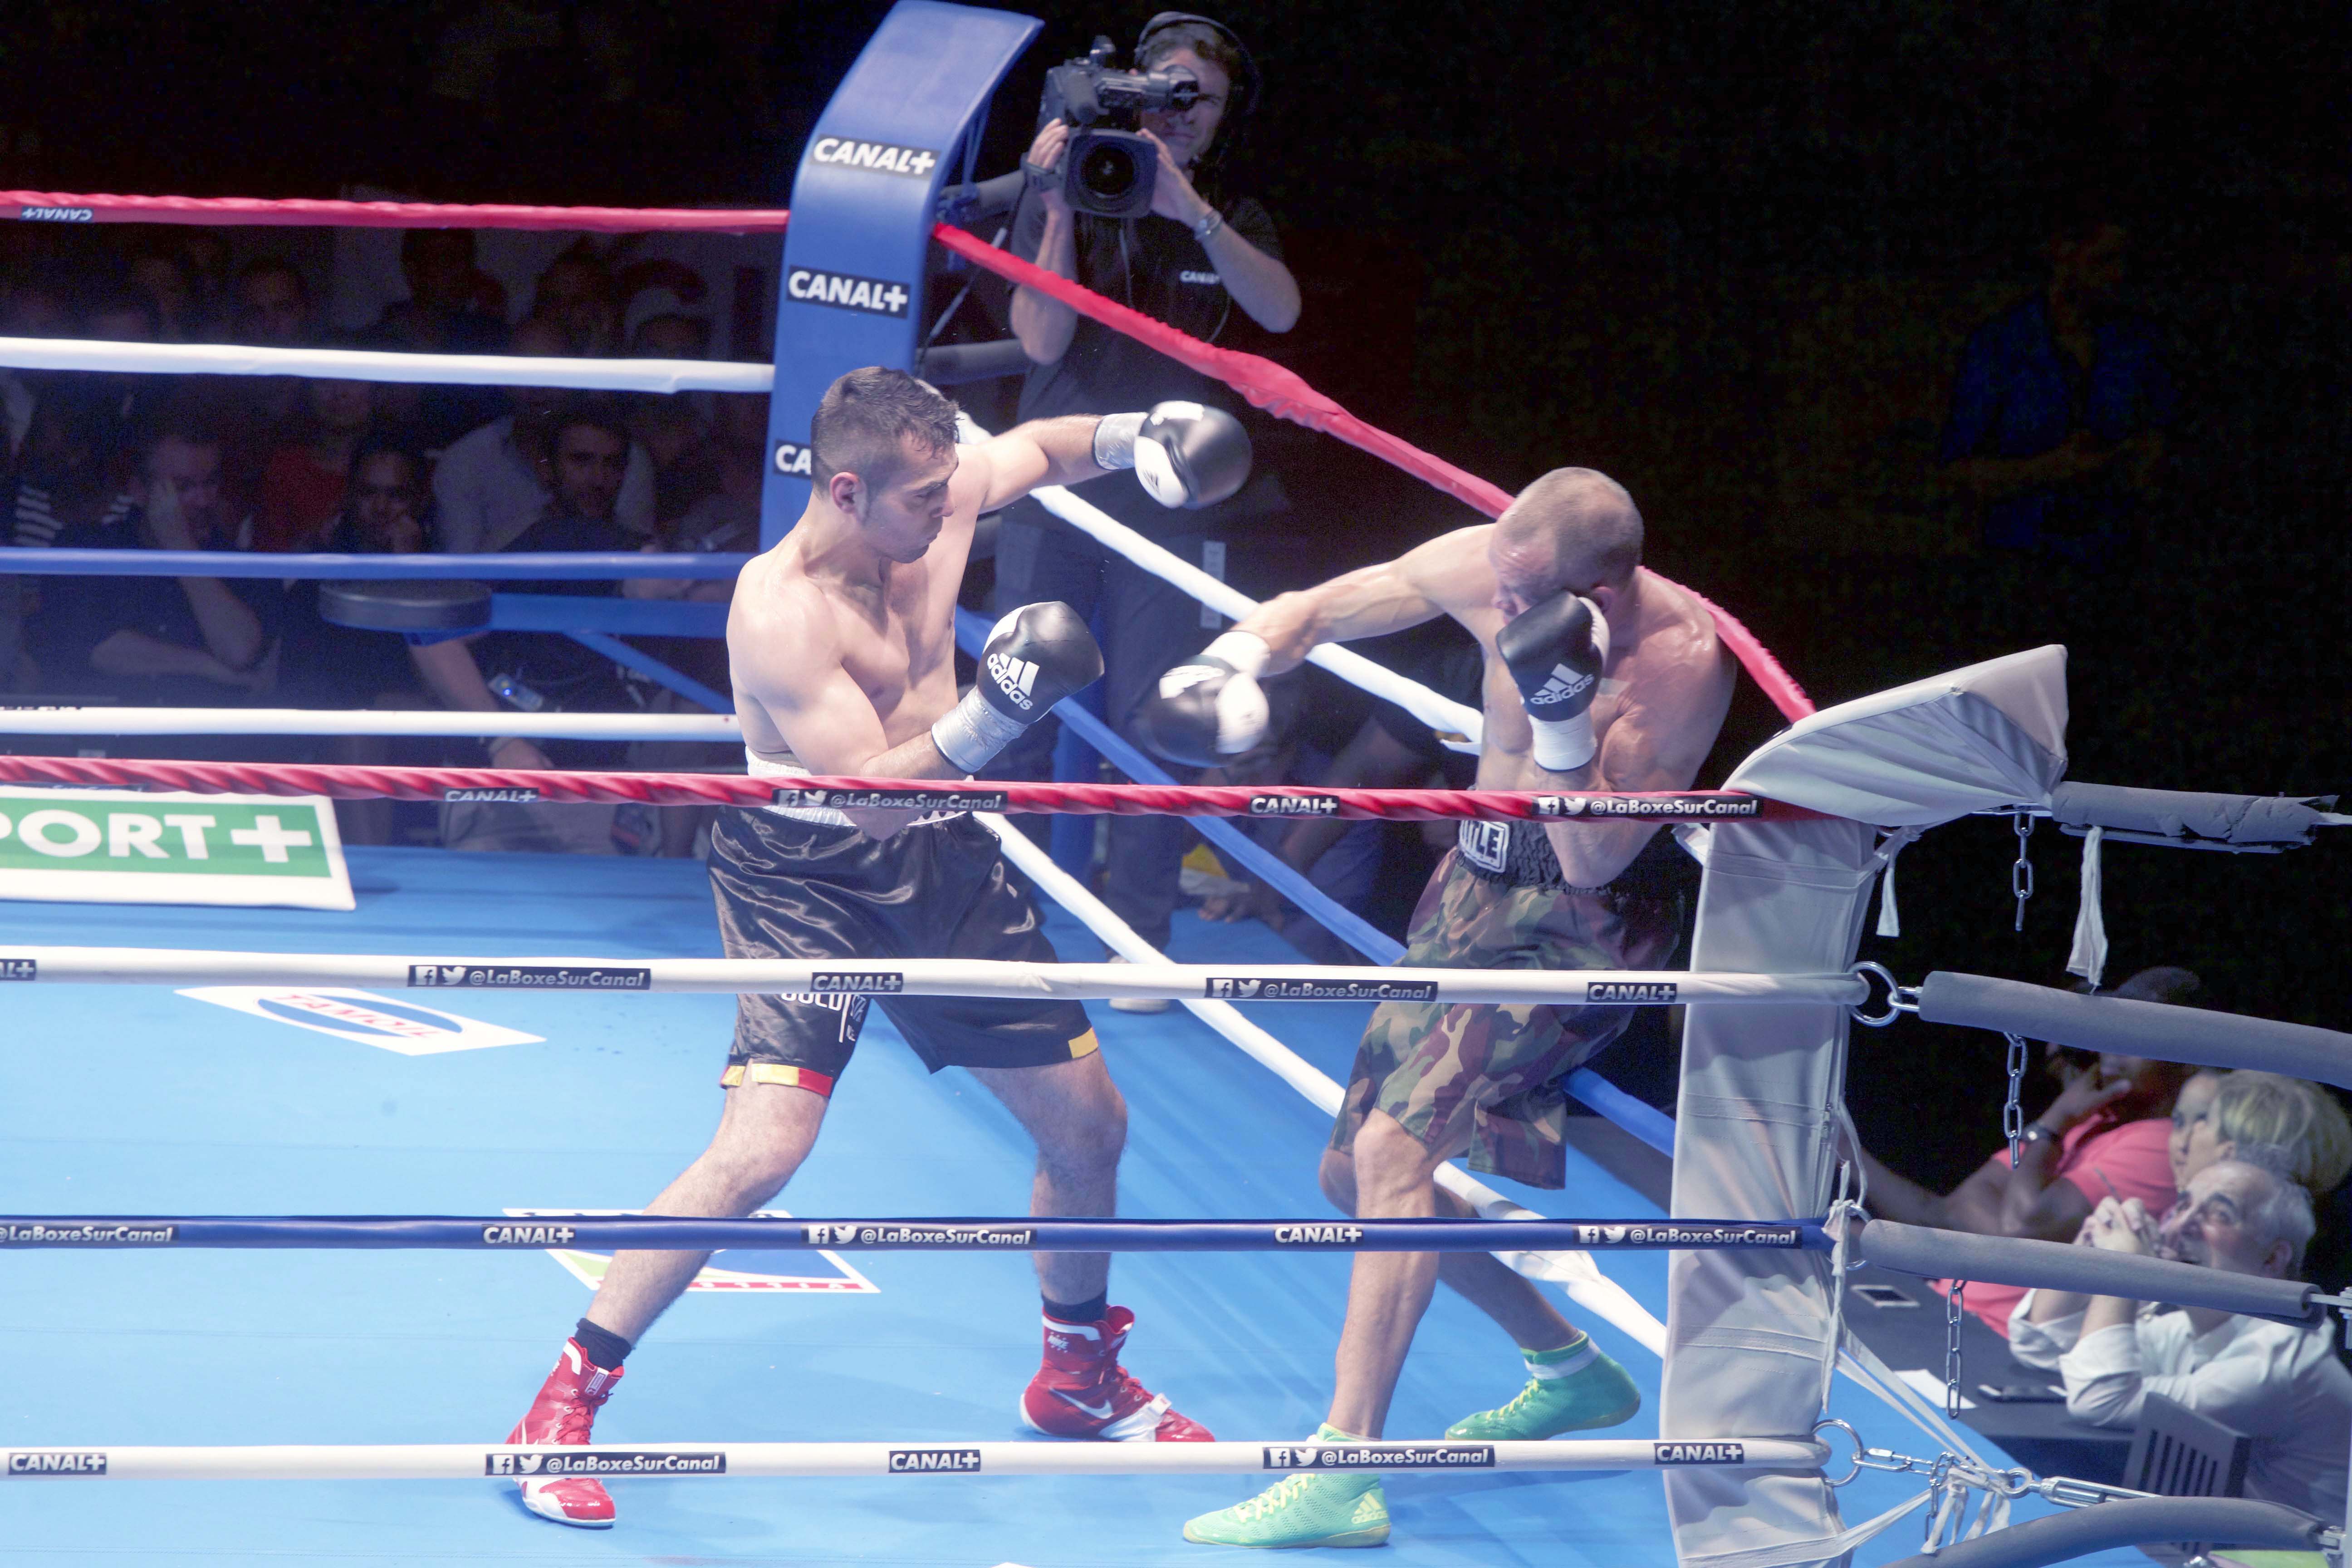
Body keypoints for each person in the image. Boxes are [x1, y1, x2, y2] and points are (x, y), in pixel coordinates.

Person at [498, 366, 1247, 1529]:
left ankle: (1076, 1374)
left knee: (1090, 1125)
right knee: (760, 1152)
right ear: (845, 489)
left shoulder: (935, 494)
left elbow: (1038, 453)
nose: (952, 515)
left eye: (953, 489)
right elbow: (870, 804)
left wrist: (1128, 430)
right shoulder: (779, 609)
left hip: (944, 861)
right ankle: (560, 1404)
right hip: (808, 872)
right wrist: (1000, 709)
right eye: (924, 501)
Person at [1161, 468, 1733, 1548]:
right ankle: (1568, 1366)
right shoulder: (1503, 566)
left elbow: (1592, 850)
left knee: (1390, 1156)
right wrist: (1231, 660)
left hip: (1580, 924)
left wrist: (1563, 722)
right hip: (1470, 883)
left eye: (1523, 600)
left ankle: (1343, 1469)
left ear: (1598, 593)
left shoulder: (1676, 663)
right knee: (1352, 1174)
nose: (1497, 603)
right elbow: (1336, 602)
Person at [997, 11, 1299, 967]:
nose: (1176, 113)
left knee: (1156, 721)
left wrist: (1188, 210)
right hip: (1061, 484)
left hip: (1176, 505)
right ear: (1126, 89)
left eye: (1196, 101)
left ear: (1218, 119)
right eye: (1162, 90)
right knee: (1016, 703)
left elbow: (1281, 311)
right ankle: (1002, 921)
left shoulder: (1232, 210)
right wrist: (1052, 204)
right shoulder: (1073, 189)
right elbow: (1040, 341)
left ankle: (1138, 940)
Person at [1854, 965, 2201, 1335]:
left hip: (2001, 1342)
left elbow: (2022, 1228)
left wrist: (2055, 1121)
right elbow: (1953, 1211)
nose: (2114, 1051)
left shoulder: (2160, 1144)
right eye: (2116, 1031)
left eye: (2141, 1036)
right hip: (1948, 1311)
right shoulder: (2090, 1123)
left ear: (2185, 1059)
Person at [2008, 1162, 2352, 1521]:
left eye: (2219, 1214)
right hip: (2223, 1541)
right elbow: (2043, 1344)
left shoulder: (2278, 1360)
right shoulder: (2189, 1326)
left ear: (2272, 1258)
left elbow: (2100, 1399)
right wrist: (2092, 1251)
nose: (2184, 1223)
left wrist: (2121, 1270)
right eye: (2183, 1205)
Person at [409, 399, 645, 856]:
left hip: (607, 783)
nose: (597, 478)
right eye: (581, 460)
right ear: (548, 468)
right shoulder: (519, 547)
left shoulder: (646, 555)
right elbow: (429, 634)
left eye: (610, 465)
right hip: (506, 781)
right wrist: (502, 740)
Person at [1938, 201, 2172, 568]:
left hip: (2114, 555)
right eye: (2104, 261)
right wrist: (2052, 468)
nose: (2118, 276)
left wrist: (2139, 464)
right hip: (2021, 558)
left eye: (2122, 261)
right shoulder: (2000, 346)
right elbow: (1959, 472)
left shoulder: (2136, 345)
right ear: (2062, 255)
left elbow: (2156, 437)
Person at [30, 404, 278, 709]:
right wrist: (208, 667)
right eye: (183, 487)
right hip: (103, 742)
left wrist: (181, 549)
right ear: (139, 490)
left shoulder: (245, 566)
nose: (203, 500)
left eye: (210, 483)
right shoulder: (86, 548)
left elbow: (239, 652)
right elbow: (91, 646)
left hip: (202, 745)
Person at [431, 314, 657, 553]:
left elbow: (638, 554)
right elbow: (466, 580)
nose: (539, 388)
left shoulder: (630, 457)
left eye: (552, 371)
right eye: (526, 372)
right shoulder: (464, 461)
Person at [253, 375, 377, 553]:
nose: (339, 393)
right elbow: (270, 557)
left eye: (352, 380)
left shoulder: (400, 467)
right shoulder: (285, 468)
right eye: (325, 380)